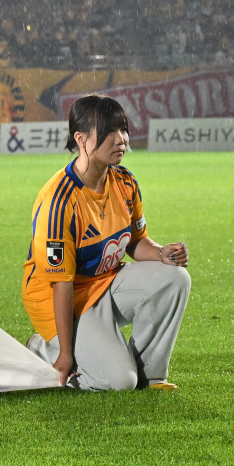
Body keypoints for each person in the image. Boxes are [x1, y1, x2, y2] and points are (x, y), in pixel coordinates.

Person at [22, 95, 191, 391]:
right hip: (60, 298)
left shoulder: (125, 182)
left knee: (175, 278)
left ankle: (149, 375)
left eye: (123, 129)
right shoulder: (58, 202)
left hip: (105, 283)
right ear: (81, 139)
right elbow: (61, 284)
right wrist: (65, 356)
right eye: (109, 131)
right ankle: (43, 350)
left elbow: (135, 241)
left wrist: (161, 253)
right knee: (119, 382)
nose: (121, 139)